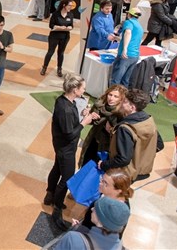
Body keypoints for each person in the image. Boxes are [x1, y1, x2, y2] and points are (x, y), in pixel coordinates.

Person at [45, 74, 99, 230]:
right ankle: (56, 209)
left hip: (61, 145)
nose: (84, 90)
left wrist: (83, 116)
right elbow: (70, 133)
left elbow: (68, 123)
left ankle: (50, 194)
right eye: (83, 88)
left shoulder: (65, 101)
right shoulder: (66, 108)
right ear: (75, 89)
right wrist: (84, 122)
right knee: (67, 177)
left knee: (57, 167)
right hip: (66, 147)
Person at [98, 89, 158, 182]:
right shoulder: (148, 120)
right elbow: (159, 144)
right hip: (140, 171)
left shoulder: (125, 128)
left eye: (125, 102)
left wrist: (103, 165)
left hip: (124, 173)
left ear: (132, 107)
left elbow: (123, 159)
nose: (121, 103)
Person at [79, 85, 127, 168]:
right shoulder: (100, 104)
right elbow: (91, 123)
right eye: (110, 94)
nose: (111, 98)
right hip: (93, 140)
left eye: (116, 96)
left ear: (121, 99)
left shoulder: (121, 114)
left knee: (97, 171)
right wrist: (90, 116)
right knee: (85, 164)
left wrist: (111, 130)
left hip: (106, 147)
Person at [56, 197, 130, 249]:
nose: (92, 209)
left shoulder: (72, 238)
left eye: (96, 209)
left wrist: (75, 231)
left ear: (101, 220)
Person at [75, 168, 133, 233]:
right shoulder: (105, 195)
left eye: (105, 183)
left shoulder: (119, 211)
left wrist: (80, 231)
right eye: (101, 180)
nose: (100, 184)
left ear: (118, 190)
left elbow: (107, 236)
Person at [40, 0, 74, 78]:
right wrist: (59, 27)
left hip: (65, 36)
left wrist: (69, 28)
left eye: (71, 6)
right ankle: (44, 67)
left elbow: (71, 25)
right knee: (50, 52)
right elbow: (51, 25)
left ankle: (59, 69)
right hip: (54, 36)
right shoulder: (55, 14)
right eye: (69, 5)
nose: (70, 7)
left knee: (61, 53)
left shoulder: (70, 15)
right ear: (64, 5)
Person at [110, 8, 144, 87]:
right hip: (135, 55)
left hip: (126, 54)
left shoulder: (128, 22)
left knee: (116, 79)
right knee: (125, 79)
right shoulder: (139, 26)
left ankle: (113, 96)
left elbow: (128, 33)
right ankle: (123, 97)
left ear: (129, 15)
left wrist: (125, 49)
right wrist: (116, 38)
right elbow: (132, 39)